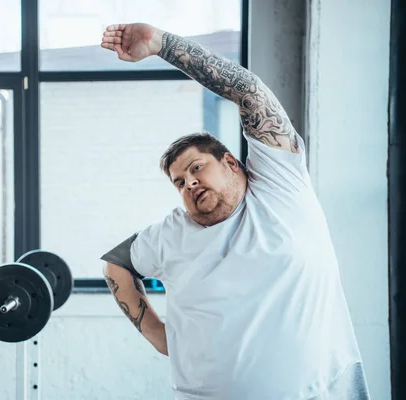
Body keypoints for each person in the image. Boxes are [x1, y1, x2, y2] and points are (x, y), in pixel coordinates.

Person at [99, 23, 370, 400]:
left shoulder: (280, 188)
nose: (189, 183)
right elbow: (116, 265)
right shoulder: (170, 234)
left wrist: (160, 44)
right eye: (179, 182)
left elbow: (250, 93)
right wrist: (156, 333)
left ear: (231, 163)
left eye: (196, 168)